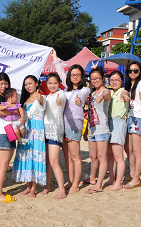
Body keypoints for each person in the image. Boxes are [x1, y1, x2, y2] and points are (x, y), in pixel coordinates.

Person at [51, 49, 89, 194]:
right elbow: (60, 71)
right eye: (72, 74)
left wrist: (79, 101)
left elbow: (82, 98)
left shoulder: (84, 89)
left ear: (81, 76)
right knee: (67, 157)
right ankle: (71, 181)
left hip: (75, 126)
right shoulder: (66, 89)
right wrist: (55, 57)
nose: (75, 77)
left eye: (77, 74)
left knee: (75, 156)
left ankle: (75, 185)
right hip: (63, 126)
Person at [12, 75, 46, 197]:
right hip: (26, 130)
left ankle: (33, 188)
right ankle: (28, 186)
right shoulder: (25, 100)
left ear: (36, 83)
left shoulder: (40, 97)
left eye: (30, 83)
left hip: (37, 130)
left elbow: (43, 103)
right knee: (27, 156)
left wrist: (40, 98)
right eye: (26, 84)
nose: (28, 86)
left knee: (36, 157)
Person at [0, 72, 16, 203]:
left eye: (6, 83)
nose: (4, 85)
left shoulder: (8, 97)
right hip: (2, 133)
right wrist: (16, 110)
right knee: (3, 165)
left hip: (10, 132)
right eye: (1, 83)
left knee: (6, 165)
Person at [123, 61, 141, 189]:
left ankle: (136, 178)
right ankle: (133, 173)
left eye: (136, 70)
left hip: (138, 118)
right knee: (128, 149)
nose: (133, 73)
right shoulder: (129, 86)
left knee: (137, 151)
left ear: (140, 72)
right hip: (129, 118)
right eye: (130, 70)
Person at [85, 67, 111, 194]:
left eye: (97, 78)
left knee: (101, 157)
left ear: (103, 78)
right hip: (92, 129)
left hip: (102, 128)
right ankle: (92, 178)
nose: (95, 81)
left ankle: (99, 184)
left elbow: (107, 94)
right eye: (92, 79)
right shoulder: (91, 93)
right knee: (92, 156)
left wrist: (101, 97)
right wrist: (86, 131)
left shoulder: (105, 91)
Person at [42, 73, 67, 199]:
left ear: (59, 84)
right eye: (50, 83)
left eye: (55, 83)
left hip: (55, 130)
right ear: (46, 84)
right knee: (47, 162)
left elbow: (61, 101)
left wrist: (59, 101)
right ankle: (48, 186)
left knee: (53, 161)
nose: (52, 85)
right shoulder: (46, 96)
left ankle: (62, 190)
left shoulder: (60, 94)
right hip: (45, 130)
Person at [105, 71, 129, 191]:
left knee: (118, 156)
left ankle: (118, 182)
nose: (114, 82)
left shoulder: (122, 91)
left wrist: (126, 97)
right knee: (110, 155)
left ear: (122, 81)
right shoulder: (111, 92)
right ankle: (112, 178)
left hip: (118, 123)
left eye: (117, 80)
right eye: (112, 80)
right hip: (108, 123)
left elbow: (126, 95)